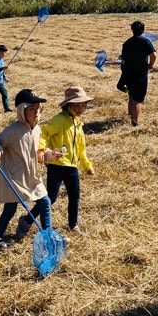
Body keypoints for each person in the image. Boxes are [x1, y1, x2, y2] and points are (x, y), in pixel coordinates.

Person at [0, 89, 61, 249]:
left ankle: (48, 236)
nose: (36, 113)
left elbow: (39, 154)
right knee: (10, 209)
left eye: (38, 108)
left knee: (45, 202)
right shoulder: (13, 130)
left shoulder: (38, 130)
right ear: (22, 111)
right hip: (15, 177)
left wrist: (50, 155)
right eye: (31, 109)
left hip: (32, 176)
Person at [40, 86, 95, 233]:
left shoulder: (77, 123)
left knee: (75, 196)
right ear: (68, 105)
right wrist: (43, 151)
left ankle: (73, 224)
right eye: (77, 106)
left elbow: (80, 148)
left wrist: (86, 165)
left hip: (72, 166)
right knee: (51, 197)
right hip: (56, 164)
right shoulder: (59, 120)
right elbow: (44, 132)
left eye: (83, 106)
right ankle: (27, 219)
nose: (80, 109)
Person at [117, 20, 156, 126]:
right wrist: (151, 65)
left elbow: (123, 60)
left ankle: (130, 115)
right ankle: (135, 123)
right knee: (138, 100)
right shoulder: (146, 41)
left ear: (132, 30)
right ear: (143, 30)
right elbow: (153, 56)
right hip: (140, 74)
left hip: (128, 73)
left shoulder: (127, 43)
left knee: (131, 95)